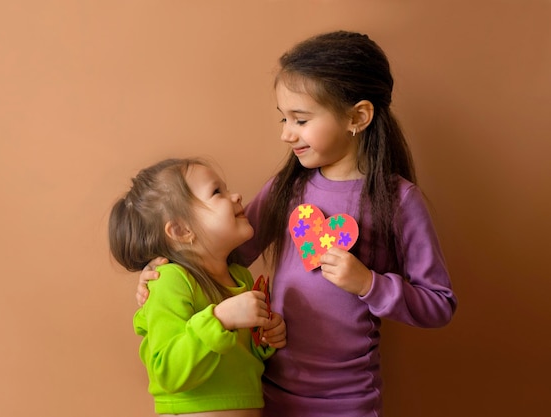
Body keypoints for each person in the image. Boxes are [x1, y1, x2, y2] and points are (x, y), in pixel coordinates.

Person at [137, 30, 457, 417]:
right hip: (265, 390)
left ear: (358, 116)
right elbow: (220, 254)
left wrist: (368, 284)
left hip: (347, 399)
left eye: (300, 119)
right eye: (283, 118)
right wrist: (166, 269)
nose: (286, 133)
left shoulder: (399, 201)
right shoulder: (287, 189)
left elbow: (440, 304)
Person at [109, 158, 287, 417]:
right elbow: (167, 371)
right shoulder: (169, 281)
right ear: (181, 230)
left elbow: (236, 359)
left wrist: (266, 339)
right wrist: (220, 319)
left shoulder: (241, 278)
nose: (236, 196)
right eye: (217, 192)